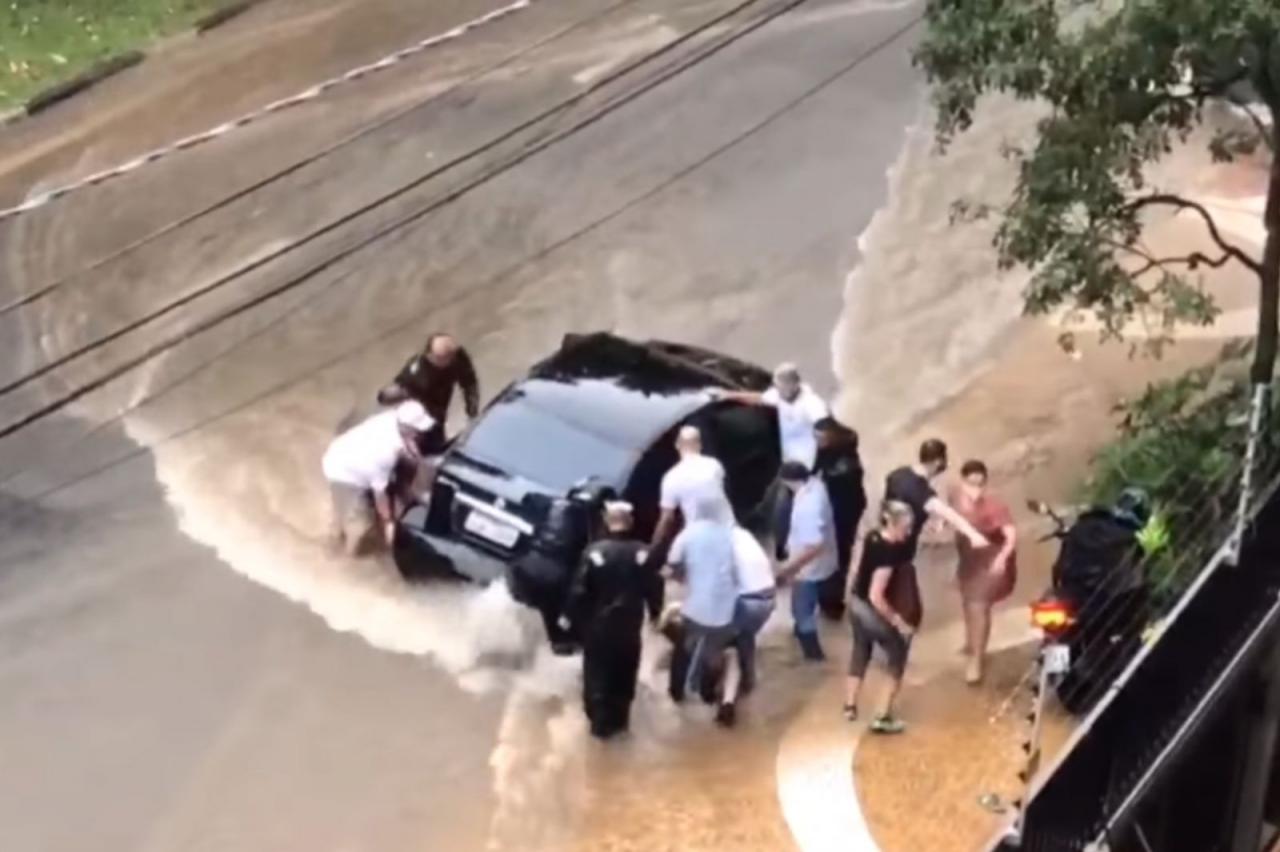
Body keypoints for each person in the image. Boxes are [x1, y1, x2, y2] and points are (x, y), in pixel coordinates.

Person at [565, 501, 662, 739]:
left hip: (599, 632)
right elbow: (655, 589)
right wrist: (656, 614)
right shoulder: (643, 553)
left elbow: (578, 593)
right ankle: (620, 730)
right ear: (629, 523)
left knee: (597, 684)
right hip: (629, 631)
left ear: (608, 522)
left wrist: (571, 622)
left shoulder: (594, 553)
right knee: (623, 684)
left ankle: (598, 736)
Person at [717, 363, 830, 556]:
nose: (777, 390)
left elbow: (825, 431)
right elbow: (759, 399)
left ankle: (783, 546)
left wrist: (821, 460)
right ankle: (771, 526)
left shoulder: (812, 404)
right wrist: (728, 395)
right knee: (777, 495)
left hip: (806, 465)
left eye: (780, 386)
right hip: (789, 461)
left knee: (785, 504)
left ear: (792, 385)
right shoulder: (779, 396)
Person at [882, 439, 991, 629]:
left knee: (885, 588)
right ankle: (895, 634)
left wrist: (931, 521)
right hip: (900, 554)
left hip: (884, 541)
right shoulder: (921, 492)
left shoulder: (897, 475)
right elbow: (946, 512)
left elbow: (899, 505)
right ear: (938, 462)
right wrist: (974, 536)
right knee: (909, 611)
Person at [322, 400, 435, 556]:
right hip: (342, 472)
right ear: (407, 429)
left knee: (352, 511)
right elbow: (380, 497)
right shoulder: (385, 452)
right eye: (418, 430)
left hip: (349, 453)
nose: (421, 433)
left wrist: (412, 452)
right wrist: (388, 523)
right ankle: (346, 559)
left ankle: (338, 532)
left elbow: (407, 444)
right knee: (361, 524)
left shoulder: (393, 418)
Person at [665, 494, 740, 725]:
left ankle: (677, 693)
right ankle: (708, 695)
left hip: (696, 606)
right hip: (724, 608)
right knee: (714, 653)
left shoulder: (687, 534)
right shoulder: (728, 536)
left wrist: (683, 577)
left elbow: (673, 564)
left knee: (684, 649)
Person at [843, 500, 917, 733]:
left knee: (860, 650)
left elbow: (856, 570)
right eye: (905, 527)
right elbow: (877, 596)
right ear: (892, 523)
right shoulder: (889, 553)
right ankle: (882, 715)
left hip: (855, 602)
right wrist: (900, 622)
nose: (908, 532)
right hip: (869, 609)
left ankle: (850, 706)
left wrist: (848, 595)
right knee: (898, 654)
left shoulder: (872, 536)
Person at [950, 460, 1018, 685]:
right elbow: (949, 515)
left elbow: (1011, 536)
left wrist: (1001, 559)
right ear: (962, 482)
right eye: (971, 484)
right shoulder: (955, 498)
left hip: (992, 560)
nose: (975, 490)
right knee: (968, 600)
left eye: (980, 485)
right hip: (969, 561)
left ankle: (976, 660)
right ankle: (971, 642)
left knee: (979, 606)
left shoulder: (994, 507)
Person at [774, 461, 839, 662]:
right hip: (823, 562)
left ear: (787, 481)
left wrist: (787, 569)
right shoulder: (817, 486)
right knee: (810, 603)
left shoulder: (808, 507)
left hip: (808, 568)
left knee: (801, 611)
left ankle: (813, 655)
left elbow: (813, 546)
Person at [376, 332, 481, 453]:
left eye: (452, 356)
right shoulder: (418, 374)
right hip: (420, 420)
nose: (452, 360)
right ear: (432, 356)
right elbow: (399, 389)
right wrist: (389, 395)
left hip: (438, 417)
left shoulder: (455, 356)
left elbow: (469, 382)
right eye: (447, 358)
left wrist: (472, 412)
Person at [813, 417, 868, 621]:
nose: (817, 442)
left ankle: (835, 600)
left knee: (840, 552)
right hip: (838, 503)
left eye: (820, 438)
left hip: (846, 509)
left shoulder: (847, 466)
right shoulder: (828, 449)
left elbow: (846, 493)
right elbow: (816, 467)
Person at [652, 425, 733, 551]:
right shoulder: (715, 465)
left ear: (677, 445)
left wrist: (653, 547)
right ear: (699, 445)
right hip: (729, 532)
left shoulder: (672, 477)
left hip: (699, 538)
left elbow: (667, 519)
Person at [727, 525, 776, 720]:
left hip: (748, 600)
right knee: (745, 638)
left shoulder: (719, 541)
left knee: (728, 646)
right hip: (768, 598)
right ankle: (748, 682)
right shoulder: (744, 534)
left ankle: (727, 699)